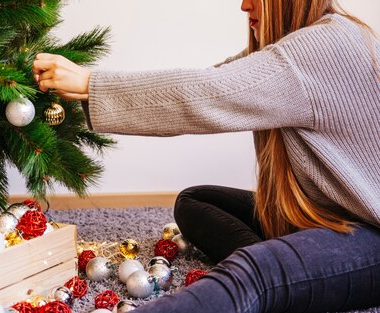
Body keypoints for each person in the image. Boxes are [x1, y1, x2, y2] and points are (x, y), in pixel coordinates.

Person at [31, 0, 380, 312]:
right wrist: (83, 93)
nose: (244, 6)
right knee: (195, 201)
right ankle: (294, 273)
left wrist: (91, 83)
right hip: (336, 217)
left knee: (254, 271)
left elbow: (208, 95)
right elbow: (211, 79)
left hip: (372, 235)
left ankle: (276, 273)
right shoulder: (301, 46)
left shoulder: (324, 47)